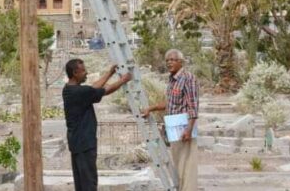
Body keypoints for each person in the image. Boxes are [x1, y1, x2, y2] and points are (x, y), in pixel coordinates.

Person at [63, 59, 132, 191]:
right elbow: (106, 90)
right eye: (83, 70)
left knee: (81, 184)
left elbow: (94, 87)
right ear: (75, 72)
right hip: (85, 144)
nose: (86, 72)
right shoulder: (80, 92)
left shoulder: (68, 89)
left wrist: (110, 72)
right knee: (89, 183)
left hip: (76, 143)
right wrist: (124, 80)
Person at [142, 49, 199, 191]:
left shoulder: (188, 78)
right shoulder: (172, 80)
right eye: (167, 60)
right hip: (174, 128)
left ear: (181, 61)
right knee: (178, 164)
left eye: (173, 59)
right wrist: (151, 108)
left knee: (187, 165)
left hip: (184, 128)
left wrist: (189, 129)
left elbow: (193, 106)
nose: (169, 62)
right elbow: (170, 103)